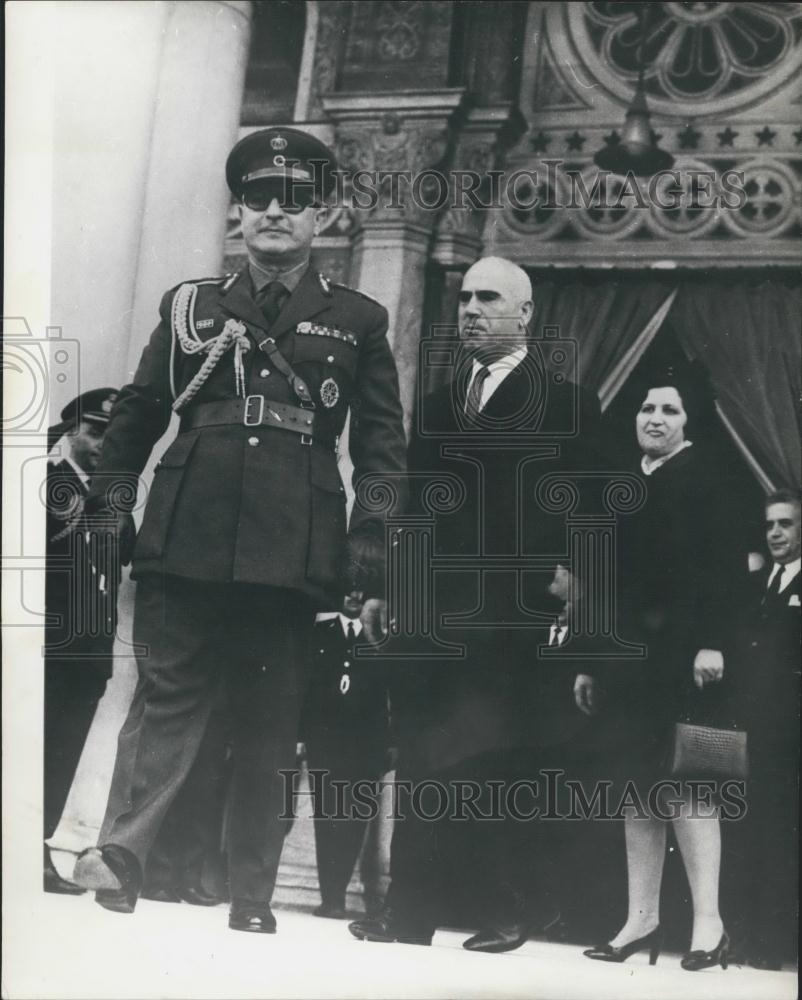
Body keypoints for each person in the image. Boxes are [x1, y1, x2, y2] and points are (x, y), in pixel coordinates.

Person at [72, 126, 407, 934]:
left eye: (294, 200)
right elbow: (140, 414)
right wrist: (112, 508)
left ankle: (250, 892)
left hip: (294, 543)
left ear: (321, 215)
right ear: (239, 212)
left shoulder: (356, 319)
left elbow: (382, 446)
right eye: (258, 197)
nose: (274, 213)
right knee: (166, 695)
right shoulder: (189, 305)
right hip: (190, 525)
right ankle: (123, 854)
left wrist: (370, 540)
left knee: (270, 717)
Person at [350, 256, 602, 950]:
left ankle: (507, 908)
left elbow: (598, 507)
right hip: (433, 610)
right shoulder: (437, 406)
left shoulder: (570, 405)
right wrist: (385, 589)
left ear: (526, 314)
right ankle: (409, 914)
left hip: (513, 614)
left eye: (488, 299)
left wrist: (578, 581)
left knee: (492, 758)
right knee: (427, 754)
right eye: (464, 298)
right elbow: (415, 512)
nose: (470, 309)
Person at [579, 362, 748, 971]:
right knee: (636, 789)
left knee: (690, 786)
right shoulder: (623, 482)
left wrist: (713, 643)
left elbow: (727, 573)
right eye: (647, 408)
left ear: (689, 422)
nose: (654, 419)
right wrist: (593, 662)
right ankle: (641, 919)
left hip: (687, 658)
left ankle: (709, 926)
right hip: (629, 660)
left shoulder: (711, 478)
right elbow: (605, 582)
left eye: (669, 410)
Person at [44, 387, 118, 893]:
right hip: (47, 649)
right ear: (69, 431)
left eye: (113, 435)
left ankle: (40, 848)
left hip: (89, 654)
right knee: (33, 749)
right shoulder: (46, 484)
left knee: (62, 754)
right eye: (93, 431)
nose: (102, 444)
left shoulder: (112, 493)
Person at [728, 490, 800, 970]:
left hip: (792, 734)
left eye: (786, 524)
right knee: (755, 832)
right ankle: (750, 938)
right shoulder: (760, 582)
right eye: (770, 524)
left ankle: (776, 945)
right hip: (757, 730)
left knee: (783, 837)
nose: (775, 532)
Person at [300, 584, 390, 919]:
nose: (353, 596)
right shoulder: (320, 632)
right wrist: (302, 735)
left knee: (356, 818)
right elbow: (307, 687)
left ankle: (340, 889)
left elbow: (386, 695)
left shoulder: (377, 635)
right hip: (326, 740)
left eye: (363, 591)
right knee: (327, 815)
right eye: (348, 589)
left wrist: (387, 744)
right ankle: (331, 897)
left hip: (365, 743)